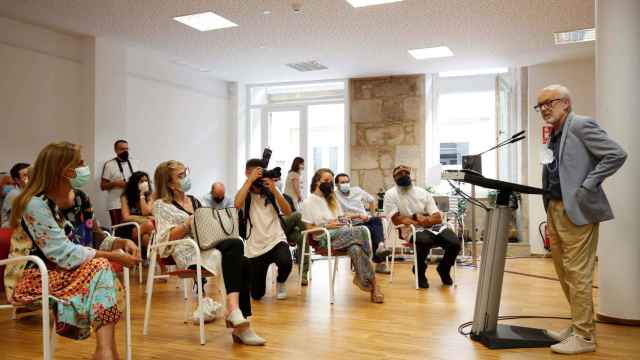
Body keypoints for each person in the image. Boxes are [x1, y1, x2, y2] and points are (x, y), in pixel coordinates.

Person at [3, 142, 140, 360]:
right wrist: (114, 257)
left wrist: (119, 243)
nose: (85, 168)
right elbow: (63, 253)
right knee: (102, 267)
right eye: (81, 164)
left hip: (79, 270)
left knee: (100, 268)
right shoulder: (35, 204)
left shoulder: (80, 198)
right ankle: (106, 351)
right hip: (37, 274)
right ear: (65, 170)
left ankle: (105, 351)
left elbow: (95, 235)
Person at [535, 85, 627, 355]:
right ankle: (578, 326)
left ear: (565, 102)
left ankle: (585, 338)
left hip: (576, 209)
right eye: (540, 106)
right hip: (554, 208)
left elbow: (616, 154)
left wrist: (588, 185)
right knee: (565, 273)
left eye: (549, 103)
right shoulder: (556, 132)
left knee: (578, 274)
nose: (544, 109)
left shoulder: (581, 125)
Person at [152, 160, 265, 346]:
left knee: (239, 250)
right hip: (187, 251)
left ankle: (237, 316)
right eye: (180, 176)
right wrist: (187, 223)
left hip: (205, 245)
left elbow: (205, 227)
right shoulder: (161, 205)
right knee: (237, 257)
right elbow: (165, 240)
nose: (186, 178)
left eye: (186, 173)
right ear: (170, 183)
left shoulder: (194, 200)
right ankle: (239, 323)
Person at [301, 168, 384, 303]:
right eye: (326, 181)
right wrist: (328, 226)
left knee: (356, 249)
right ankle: (371, 276)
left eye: (331, 181)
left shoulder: (332, 200)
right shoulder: (308, 202)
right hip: (325, 238)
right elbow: (309, 229)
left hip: (344, 234)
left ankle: (373, 285)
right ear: (317, 182)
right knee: (362, 231)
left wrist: (341, 221)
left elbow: (341, 218)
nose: (329, 184)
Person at [383, 165, 461, 289]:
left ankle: (444, 269)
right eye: (399, 173)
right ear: (394, 177)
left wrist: (424, 220)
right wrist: (416, 218)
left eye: (406, 172)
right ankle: (419, 271)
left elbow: (437, 217)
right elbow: (397, 219)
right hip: (409, 228)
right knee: (424, 240)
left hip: (433, 226)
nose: (404, 175)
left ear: (410, 175)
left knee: (455, 243)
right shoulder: (390, 194)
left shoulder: (423, 192)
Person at [236, 159, 293, 301]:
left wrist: (274, 189)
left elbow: (288, 212)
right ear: (247, 173)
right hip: (255, 247)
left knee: (286, 262)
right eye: (255, 173)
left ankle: (280, 282)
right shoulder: (245, 193)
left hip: (275, 239)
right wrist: (249, 181)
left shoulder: (271, 190)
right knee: (256, 294)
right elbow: (237, 204)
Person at [335, 173, 392, 274]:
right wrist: (358, 215)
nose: (346, 184)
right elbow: (340, 216)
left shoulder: (357, 190)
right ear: (337, 185)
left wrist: (371, 214)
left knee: (376, 220)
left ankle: (380, 246)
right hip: (352, 223)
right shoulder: (335, 196)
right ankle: (379, 262)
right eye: (342, 182)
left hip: (366, 219)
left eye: (347, 182)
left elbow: (371, 200)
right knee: (371, 230)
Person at [101, 139, 137, 226]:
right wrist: (115, 184)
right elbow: (103, 186)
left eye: (127, 149)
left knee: (133, 228)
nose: (125, 151)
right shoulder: (109, 164)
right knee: (118, 228)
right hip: (116, 204)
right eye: (122, 149)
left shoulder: (134, 162)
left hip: (132, 202)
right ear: (116, 150)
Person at [120, 171, 155, 247]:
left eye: (146, 181)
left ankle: (150, 257)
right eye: (141, 181)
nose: (145, 183)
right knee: (149, 224)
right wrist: (144, 219)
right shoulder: (125, 196)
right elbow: (126, 217)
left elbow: (146, 212)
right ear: (135, 183)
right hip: (130, 227)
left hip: (144, 228)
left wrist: (142, 196)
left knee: (146, 238)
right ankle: (160, 252)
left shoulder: (150, 196)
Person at [1, 163, 30, 228]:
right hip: (10, 228)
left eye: (31, 173)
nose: (30, 177)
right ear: (17, 180)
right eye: (25, 175)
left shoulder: (31, 191)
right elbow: (17, 219)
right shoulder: (15, 194)